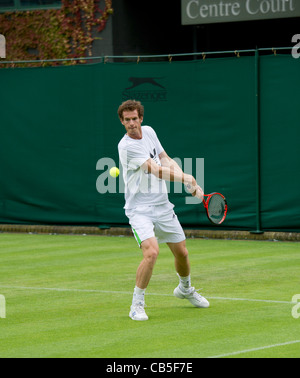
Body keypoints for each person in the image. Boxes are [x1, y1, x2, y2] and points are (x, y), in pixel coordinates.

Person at [117, 100, 209, 321]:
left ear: (141, 118)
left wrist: (189, 183)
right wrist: (186, 178)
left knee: (182, 252)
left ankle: (185, 289)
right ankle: (137, 303)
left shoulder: (149, 132)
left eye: (134, 118)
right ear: (122, 121)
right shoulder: (127, 147)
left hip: (163, 206)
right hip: (139, 210)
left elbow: (165, 159)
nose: (131, 123)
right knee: (152, 252)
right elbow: (156, 171)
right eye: (127, 120)